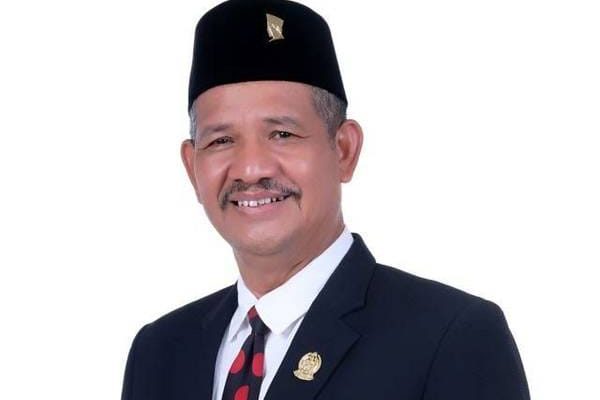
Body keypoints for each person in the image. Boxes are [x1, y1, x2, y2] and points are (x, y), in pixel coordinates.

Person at [121, 1, 530, 399]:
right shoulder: (160, 352)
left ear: (345, 150)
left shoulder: (450, 338)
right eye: (222, 140)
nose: (251, 168)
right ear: (192, 167)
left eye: (282, 134)